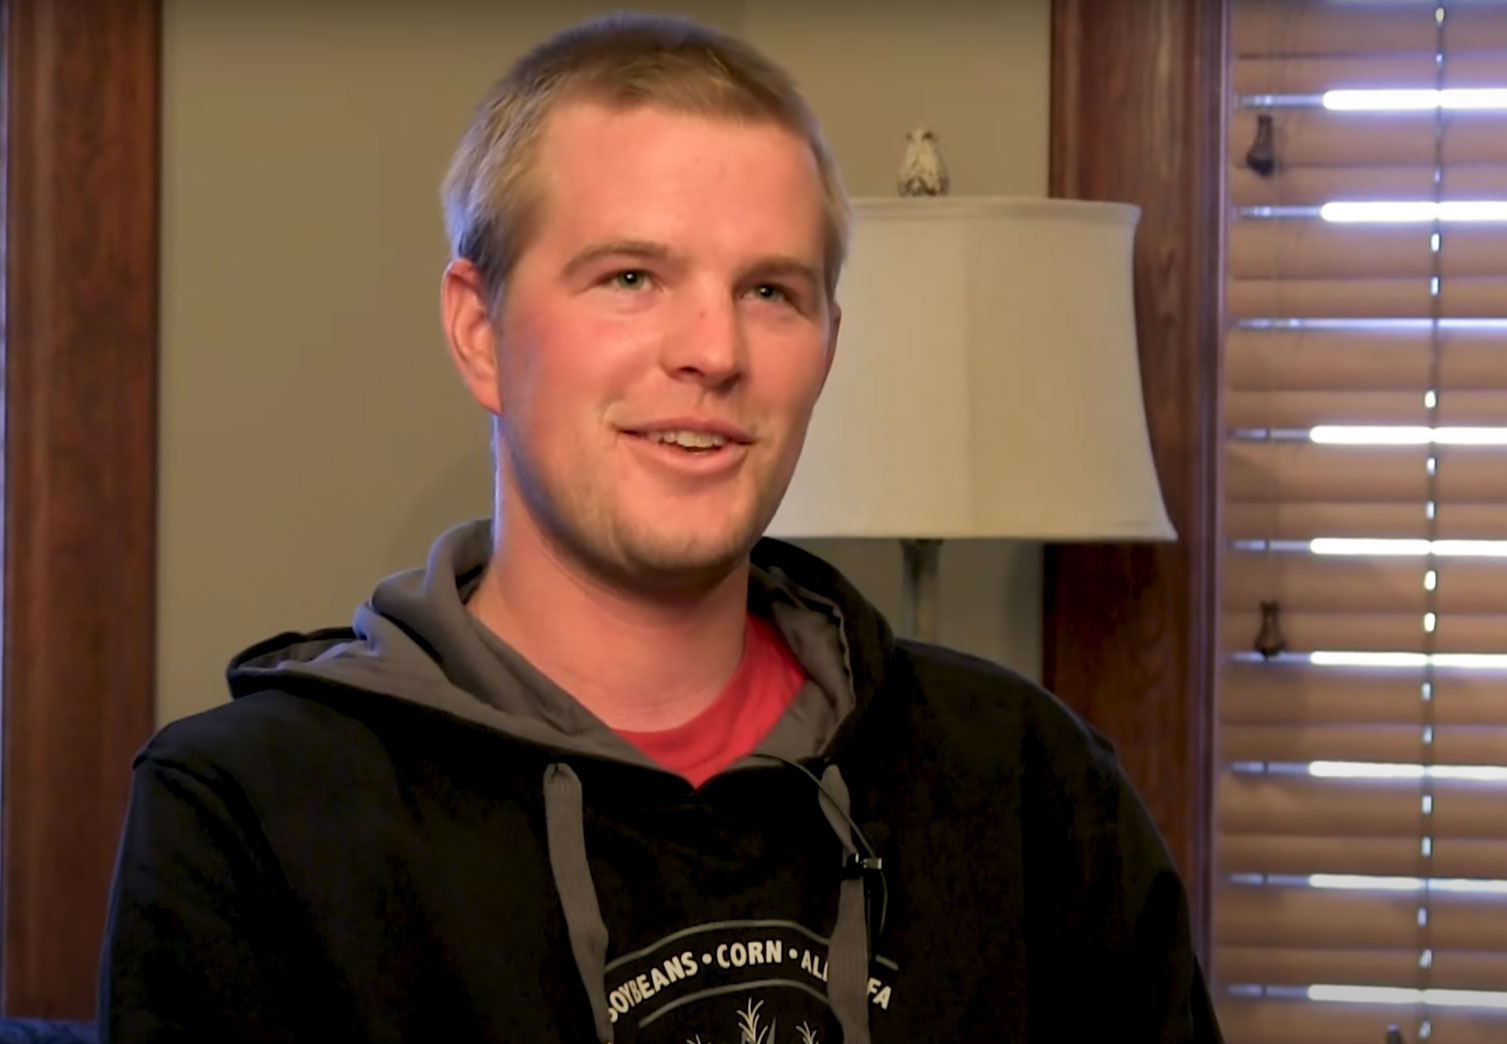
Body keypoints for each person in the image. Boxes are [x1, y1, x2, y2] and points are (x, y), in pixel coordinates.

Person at [99, 11, 1223, 1043]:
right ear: (479, 332)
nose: (714, 352)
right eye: (631, 276)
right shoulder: (254, 816)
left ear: (828, 342)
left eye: (770, 292)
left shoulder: (1030, 787)